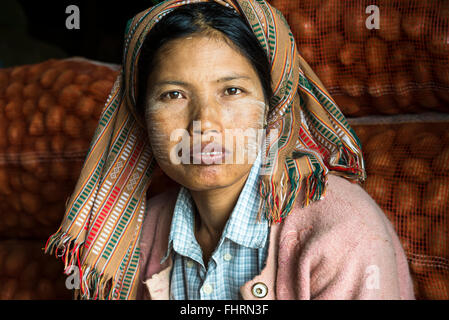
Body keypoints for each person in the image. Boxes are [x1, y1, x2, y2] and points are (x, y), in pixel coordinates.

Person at [45, 0, 415, 300]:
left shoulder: (340, 233)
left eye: (232, 91)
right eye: (173, 95)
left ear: (273, 106)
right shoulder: (137, 235)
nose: (203, 123)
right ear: (142, 115)